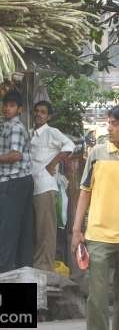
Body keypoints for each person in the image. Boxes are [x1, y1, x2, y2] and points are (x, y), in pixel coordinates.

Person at [72, 106, 119, 330]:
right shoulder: (97, 154)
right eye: (109, 122)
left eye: (114, 123)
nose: (109, 127)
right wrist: (76, 231)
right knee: (97, 297)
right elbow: (84, 192)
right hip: (99, 236)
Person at [0, 90, 33, 272]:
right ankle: (22, 269)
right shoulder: (9, 125)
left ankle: (4, 271)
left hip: (14, 182)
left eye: (12, 105)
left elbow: (15, 155)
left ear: (19, 109)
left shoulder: (15, 127)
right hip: (20, 182)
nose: (7, 108)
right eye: (5, 105)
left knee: (6, 228)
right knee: (21, 229)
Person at [30, 101, 74, 271]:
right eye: (37, 111)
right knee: (38, 230)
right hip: (34, 187)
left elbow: (70, 145)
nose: (39, 114)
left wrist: (53, 163)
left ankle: (45, 268)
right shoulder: (33, 134)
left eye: (43, 112)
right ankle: (39, 266)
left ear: (48, 116)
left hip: (46, 187)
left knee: (46, 231)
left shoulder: (51, 132)